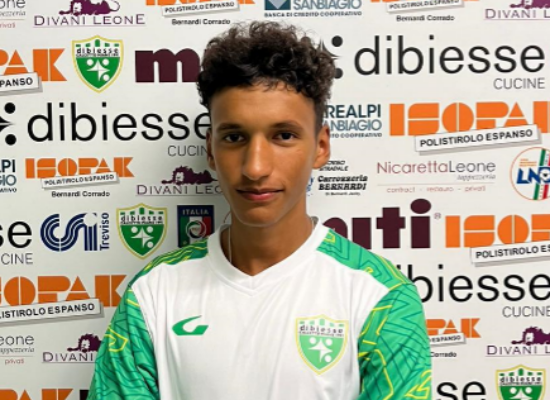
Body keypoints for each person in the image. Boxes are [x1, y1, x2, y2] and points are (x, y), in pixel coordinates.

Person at [87, 21, 432, 400]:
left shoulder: (380, 297)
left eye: (283, 136)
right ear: (211, 150)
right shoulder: (153, 293)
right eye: (235, 137)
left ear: (320, 147)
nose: (255, 167)